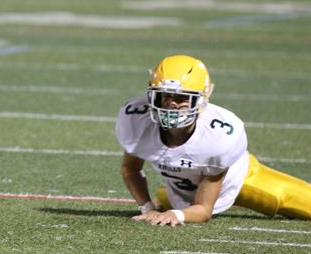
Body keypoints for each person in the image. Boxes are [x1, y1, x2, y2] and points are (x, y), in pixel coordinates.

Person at [115, 55, 311, 226]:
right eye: (165, 96)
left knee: (303, 201)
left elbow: (203, 210)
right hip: (183, 195)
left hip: (240, 180)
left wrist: (176, 214)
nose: (172, 104)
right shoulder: (137, 120)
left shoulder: (219, 136)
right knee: (169, 200)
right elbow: (130, 169)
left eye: (182, 98)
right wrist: (147, 209)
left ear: (202, 100)